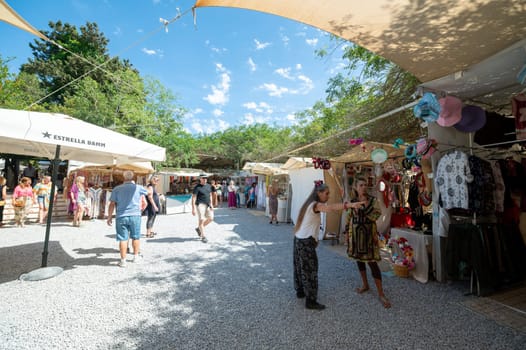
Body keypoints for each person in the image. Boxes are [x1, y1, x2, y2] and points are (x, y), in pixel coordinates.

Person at [293, 180, 364, 310]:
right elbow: (330, 208)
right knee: (310, 270)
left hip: (299, 239)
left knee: (299, 267)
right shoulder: (315, 205)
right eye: (326, 193)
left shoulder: (309, 204)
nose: (328, 196)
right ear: (319, 193)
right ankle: (310, 301)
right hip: (305, 241)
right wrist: (351, 205)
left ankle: (300, 291)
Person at [347, 176, 391, 308]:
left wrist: (364, 209)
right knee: (359, 261)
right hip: (355, 235)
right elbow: (349, 217)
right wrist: (346, 234)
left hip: (368, 236)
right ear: (355, 187)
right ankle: (365, 284)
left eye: (365, 185)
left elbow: (377, 214)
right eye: (361, 185)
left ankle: (381, 293)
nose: (364, 187)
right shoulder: (353, 201)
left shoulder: (372, 200)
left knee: (372, 263)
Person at [107, 170, 148, 267]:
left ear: (123, 178)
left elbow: (112, 204)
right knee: (135, 236)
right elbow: (148, 193)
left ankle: (123, 260)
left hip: (121, 216)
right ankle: (135, 257)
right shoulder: (138, 188)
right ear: (133, 177)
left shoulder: (117, 189)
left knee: (123, 238)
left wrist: (109, 217)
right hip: (135, 215)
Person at [192, 174, 214, 243]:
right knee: (201, 219)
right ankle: (203, 236)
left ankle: (199, 228)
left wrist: (211, 204)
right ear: (200, 179)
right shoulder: (197, 187)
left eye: (206, 178)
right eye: (203, 178)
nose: (205, 179)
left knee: (211, 218)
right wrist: (193, 208)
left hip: (208, 204)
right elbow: (194, 197)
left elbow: (210, 195)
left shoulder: (209, 186)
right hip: (200, 204)